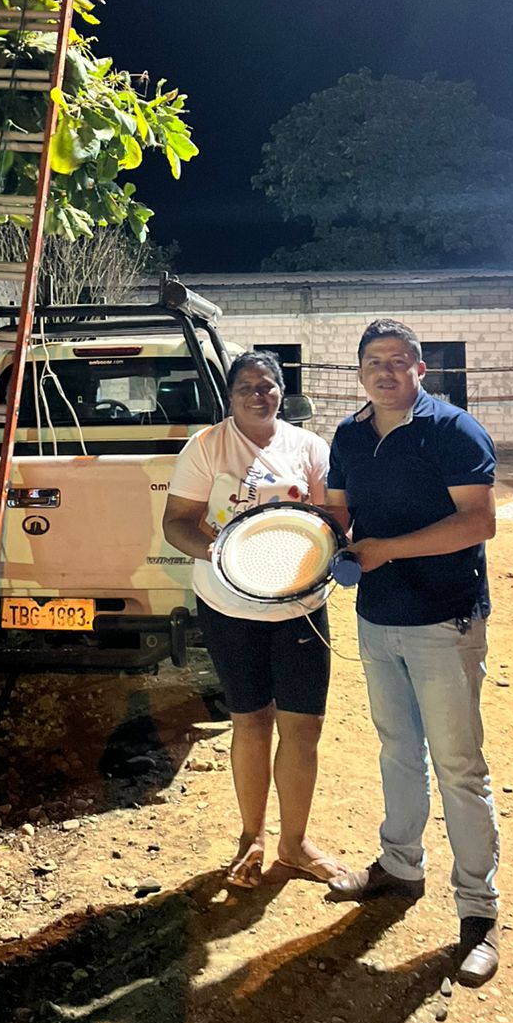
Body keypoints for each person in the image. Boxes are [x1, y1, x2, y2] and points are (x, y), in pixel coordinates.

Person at [323, 319, 501, 987]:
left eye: (400, 360)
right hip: (378, 619)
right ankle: (400, 865)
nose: (387, 371)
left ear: (420, 369)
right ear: (360, 372)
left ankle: (479, 912)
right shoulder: (349, 435)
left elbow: (479, 521)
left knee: (459, 766)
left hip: (443, 619)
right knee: (397, 749)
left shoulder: (452, 430)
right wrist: (302, 533)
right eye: (375, 361)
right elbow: (336, 514)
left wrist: (387, 550)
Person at [163, 350, 345, 889]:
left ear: (281, 392)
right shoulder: (206, 447)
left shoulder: (308, 447)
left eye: (267, 386)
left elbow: (333, 518)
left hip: (299, 604)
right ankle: (252, 837)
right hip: (229, 605)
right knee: (251, 720)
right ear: (230, 396)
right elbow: (177, 522)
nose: (257, 396)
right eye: (245, 387)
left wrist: (331, 545)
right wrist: (223, 555)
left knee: (303, 725)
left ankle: (295, 843)